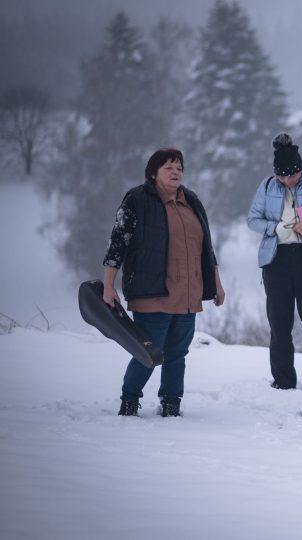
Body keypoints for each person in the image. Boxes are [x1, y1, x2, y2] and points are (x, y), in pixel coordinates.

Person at [103, 148, 226, 417]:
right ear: (153, 172)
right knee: (148, 352)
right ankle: (129, 401)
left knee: (178, 352)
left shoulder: (191, 200)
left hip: (187, 293)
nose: (176, 172)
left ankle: (171, 402)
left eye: (180, 167)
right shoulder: (137, 199)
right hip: (153, 292)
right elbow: (118, 242)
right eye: (169, 167)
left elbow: (206, 247)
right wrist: (108, 284)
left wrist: (216, 282)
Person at [247, 133, 302, 390]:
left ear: (301, 169)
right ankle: (283, 381)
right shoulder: (267, 186)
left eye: (292, 175)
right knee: (279, 325)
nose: (287, 181)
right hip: (276, 261)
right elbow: (253, 219)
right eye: (282, 176)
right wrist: (276, 228)